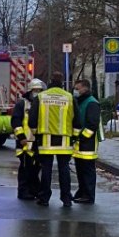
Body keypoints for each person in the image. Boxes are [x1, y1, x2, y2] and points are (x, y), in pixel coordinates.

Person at [28, 72, 76, 207]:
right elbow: (77, 119)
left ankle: (44, 198)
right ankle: (66, 198)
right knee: (64, 169)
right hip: (65, 140)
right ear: (62, 82)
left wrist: (36, 133)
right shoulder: (69, 97)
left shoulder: (41, 97)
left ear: (50, 81)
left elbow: (32, 120)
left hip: (45, 139)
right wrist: (75, 136)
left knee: (46, 169)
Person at [12, 79, 44, 200]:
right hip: (25, 142)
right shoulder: (22, 104)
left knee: (35, 168)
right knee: (25, 169)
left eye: (40, 91)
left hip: (37, 142)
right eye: (35, 90)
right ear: (30, 91)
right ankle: (24, 191)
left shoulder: (42, 104)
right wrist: (21, 137)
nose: (37, 93)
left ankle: (34, 190)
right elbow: (16, 122)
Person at [72, 79, 101, 204]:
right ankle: (82, 192)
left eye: (78, 89)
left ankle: (88, 195)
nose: (76, 91)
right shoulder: (81, 102)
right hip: (81, 142)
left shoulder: (92, 103)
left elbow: (92, 125)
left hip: (87, 143)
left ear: (85, 88)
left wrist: (81, 138)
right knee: (80, 170)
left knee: (87, 170)